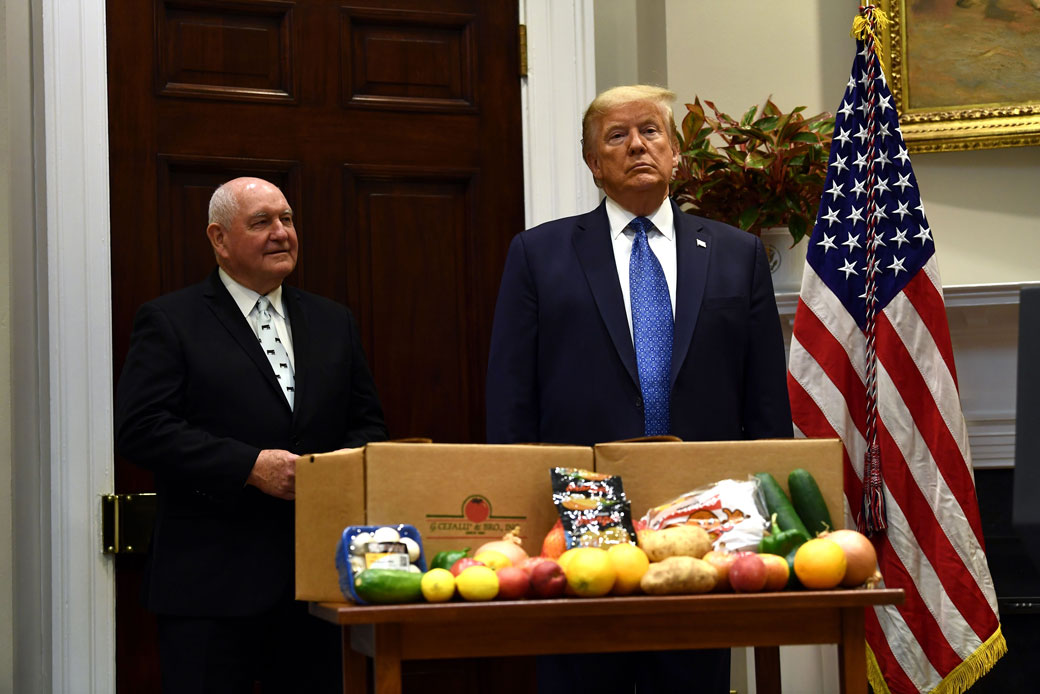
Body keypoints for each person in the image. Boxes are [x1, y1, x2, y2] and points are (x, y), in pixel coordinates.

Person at [485, 85, 792, 692]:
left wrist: (770, 514)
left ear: (676, 153)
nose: (636, 146)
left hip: (703, 522)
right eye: (616, 136)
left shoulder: (737, 255)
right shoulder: (538, 254)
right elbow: (511, 397)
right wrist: (518, 519)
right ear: (593, 164)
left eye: (651, 131)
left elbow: (763, 401)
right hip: (576, 521)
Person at [116, 177, 388, 693]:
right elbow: (142, 429)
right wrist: (250, 467)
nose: (281, 233)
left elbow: (368, 424)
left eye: (286, 219)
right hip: (210, 589)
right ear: (219, 239)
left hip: (319, 586)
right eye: (261, 222)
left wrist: (331, 471)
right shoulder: (171, 320)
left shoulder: (333, 321)